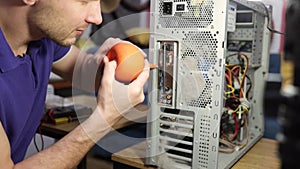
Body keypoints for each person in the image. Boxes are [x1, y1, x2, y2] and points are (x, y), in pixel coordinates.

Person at [0, 0, 150, 168]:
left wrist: (106, 63)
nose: (97, 18)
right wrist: (103, 119)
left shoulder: (42, 34)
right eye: (84, 1)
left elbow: (80, 71)